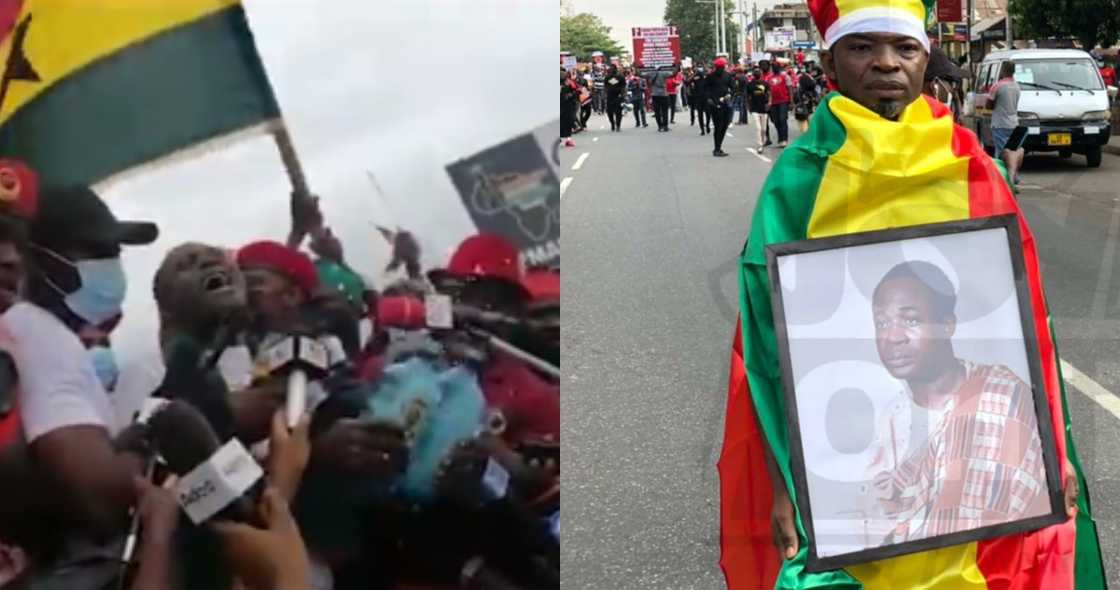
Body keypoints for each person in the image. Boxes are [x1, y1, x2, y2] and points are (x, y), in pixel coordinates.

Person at [718, 0, 1102, 586]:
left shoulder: (972, 166)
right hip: (855, 520)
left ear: (926, 60)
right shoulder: (797, 180)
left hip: (986, 514)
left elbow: (1027, 330)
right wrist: (783, 487)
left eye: (904, 49)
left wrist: (1054, 454)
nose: (885, 64)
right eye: (861, 47)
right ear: (829, 61)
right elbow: (770, 355)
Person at [6, 185, 159, 589]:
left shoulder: (43, 333)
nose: (110, 266)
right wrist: (160, 458)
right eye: (95, 252)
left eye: (115, 254)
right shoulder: (37, 331)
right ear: (41, 262)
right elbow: (94, 493)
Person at [864, 261, 1047, 545]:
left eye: (911, 320)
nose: (892, 337)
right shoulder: (892, 417)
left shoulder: (1000, 395)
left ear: (947, 325)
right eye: (882, 323)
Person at [988, 60, 1023, 185]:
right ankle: (1015, 176)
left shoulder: (997, 86)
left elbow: (989, 104)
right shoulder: (1017, 86)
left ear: (1003, 70)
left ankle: (1005, 179)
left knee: (1001, 153)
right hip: (1013, 123)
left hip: (999, 124)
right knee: (1014, 152)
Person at [705, 57, 735, 158]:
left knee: (724, 126)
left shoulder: (728, 76)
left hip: (725, 104)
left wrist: (730, 94)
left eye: (721, 67)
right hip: (714, 104)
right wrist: (709, 99)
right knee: (718, 126)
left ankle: (719, 147)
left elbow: (733, 88)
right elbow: (705, 89)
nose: (719, 69)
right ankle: (717, 148)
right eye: (718, 67)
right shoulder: (710, 77)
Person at [762, 59, 792, 146]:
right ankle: (780, 137)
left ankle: (784, 139)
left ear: (779, 67)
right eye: (773, 66)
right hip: (773, 102)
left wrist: (791, 101)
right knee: (776, 121)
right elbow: (768, 91)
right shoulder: (769, 78)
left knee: (782, 119)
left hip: (783, 101)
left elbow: (790, 88)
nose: (774, 68)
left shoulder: (785, 76)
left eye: (776, 66)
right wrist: (768, 102)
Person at [745, 68, 771, 154]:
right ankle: (760, 145)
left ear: (761, 74)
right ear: (753, 75)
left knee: (763, 129)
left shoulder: (766, 84)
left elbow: (769, 93)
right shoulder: (750, 84)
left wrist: (769, 103)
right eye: (755, 73)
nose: (757, 74)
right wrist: (748, 106)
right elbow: (747, 96)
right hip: (754, 109)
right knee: (758, 128)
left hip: (764, 108)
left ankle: (762, 143)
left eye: (758, 72)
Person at [646, 65, 672, 132]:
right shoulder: (664, 73)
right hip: (663, 94)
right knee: (664, 111)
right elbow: (674, 74)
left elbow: (639, 74)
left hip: (655, 95)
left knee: (657, 112)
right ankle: (665, 126)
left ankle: (660, 127)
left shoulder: (651, 74)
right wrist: (678, 66)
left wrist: (636, 67)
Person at [794, 65, 818, 133]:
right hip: (811, 110)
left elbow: (796, 99)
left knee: (804, 128)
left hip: (802, 111)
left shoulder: (799, 90)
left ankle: (806, 137)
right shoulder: (813, 91)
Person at [604, 64, 626, 132]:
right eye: (611, 68)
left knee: (618, 112)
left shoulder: (620, 76)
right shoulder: (607, 77)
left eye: (612, 68)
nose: (611, 70)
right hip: (610, 96)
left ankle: (618, 125)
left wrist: (623, 95)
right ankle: (613, 123)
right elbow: (605, 86)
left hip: (618, 96)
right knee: (609, 112)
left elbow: (623, 86)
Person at [687, 67, 710, 135]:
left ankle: (707, 125)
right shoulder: (695, 79)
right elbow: (687, 82)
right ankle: (702, 129)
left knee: (708, 114)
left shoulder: (707, 78)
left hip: (706, 98)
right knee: (700, 114)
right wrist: (693, 76)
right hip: (698, 98)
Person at [560, 72, 577, 148]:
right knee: (567, 123)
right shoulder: (566, 86)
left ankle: (567, 139)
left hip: (565, 107)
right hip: (566, 107)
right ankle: (567, 140)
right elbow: (571, 95)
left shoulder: (568, 85)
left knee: (565, 123)